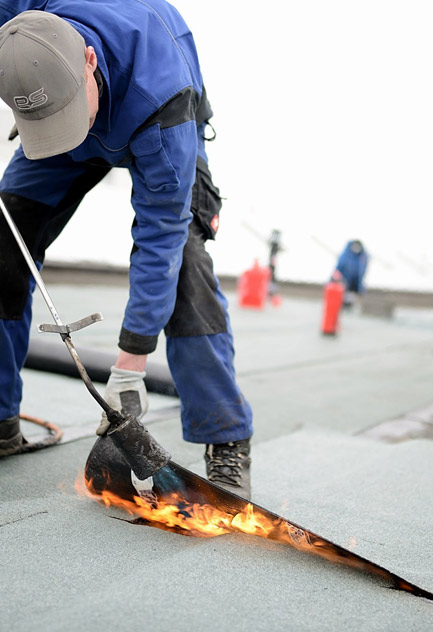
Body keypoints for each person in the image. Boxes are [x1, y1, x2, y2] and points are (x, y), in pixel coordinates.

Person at [0, 3, 253, 498]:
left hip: (148, 118)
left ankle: (226, 442)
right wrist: (55, 115)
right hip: (66, 102)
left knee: (184, 266)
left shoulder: (162, 98)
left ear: (90, 60)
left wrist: (131, 359)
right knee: (2, 247)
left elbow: (160, 236)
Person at [331, 239, 369, 307]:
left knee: (350, 299)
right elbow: (339, 267)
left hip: (354, 285)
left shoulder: (362, 258)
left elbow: (362, 273)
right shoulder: (345, 255)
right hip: (343, 282)